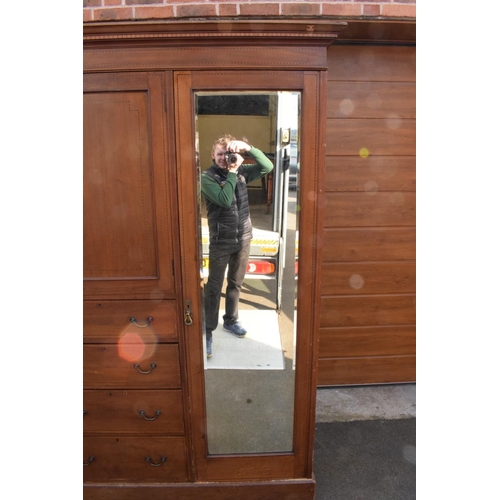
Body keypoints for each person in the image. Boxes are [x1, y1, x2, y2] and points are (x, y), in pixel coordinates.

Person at [201, 134, 274, 357]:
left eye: (228, 153)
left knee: (236, 283)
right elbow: (223, 199)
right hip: (221, 241)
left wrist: (248, 148)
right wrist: (233, 172)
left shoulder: (241, 172)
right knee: (214, 287)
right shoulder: (207, 178)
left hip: (243, 238)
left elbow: (267, 166)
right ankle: (208, 330)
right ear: (213, 155)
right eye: (220, 154)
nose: (225, 158)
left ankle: (231, 320)